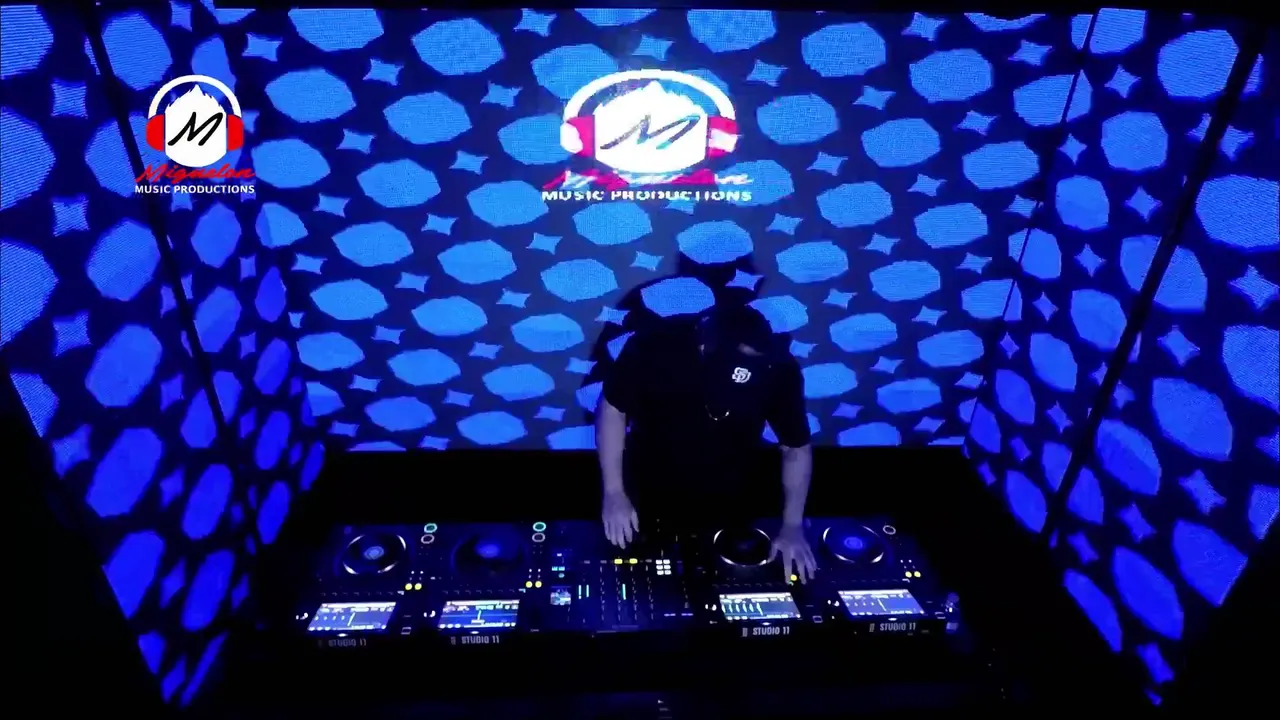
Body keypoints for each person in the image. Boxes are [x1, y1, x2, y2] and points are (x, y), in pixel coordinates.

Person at [594, 303, 818, 582]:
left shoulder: (780, 368)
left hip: (731, 487)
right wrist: (614, 493)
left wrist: (793, 526)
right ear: (704, 350)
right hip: (649, 476)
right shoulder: (655, 344)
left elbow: (795, 447)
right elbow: (613, 408)